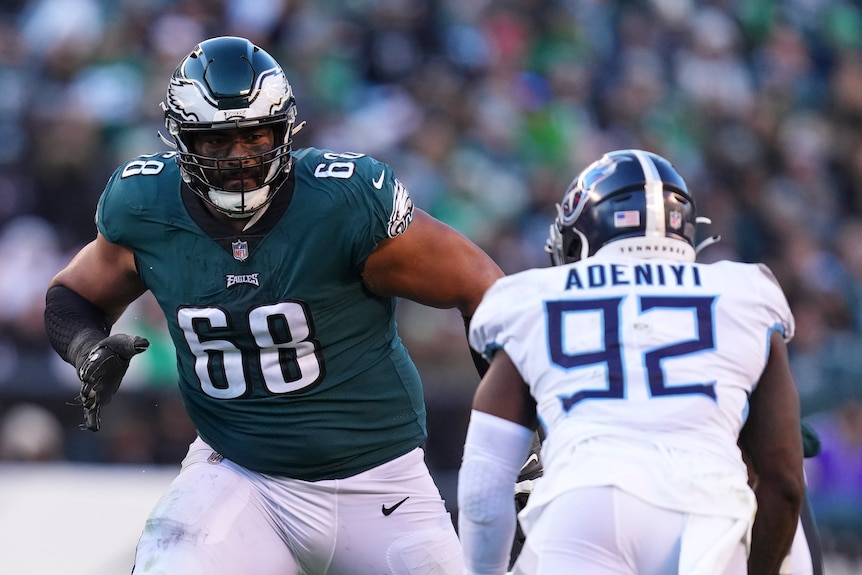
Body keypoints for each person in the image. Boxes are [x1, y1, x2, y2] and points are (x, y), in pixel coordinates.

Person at [43, 36, 506, 575]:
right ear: (182, 139)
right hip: (239, 473)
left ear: (284, 129)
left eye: (254, 134)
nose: (239, 155)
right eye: (217, 140)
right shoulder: (145, 205)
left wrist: (514, 429)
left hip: (379, 483)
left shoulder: (342, 202)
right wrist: (85, 349)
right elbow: (71, 295)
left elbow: (484, 288)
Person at [457, 149, 806, 575]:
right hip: (708, 517)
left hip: (582, 509)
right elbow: (785, 483)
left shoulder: (533, 296)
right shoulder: (744, 290)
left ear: (579, 238)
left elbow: (484, 484)